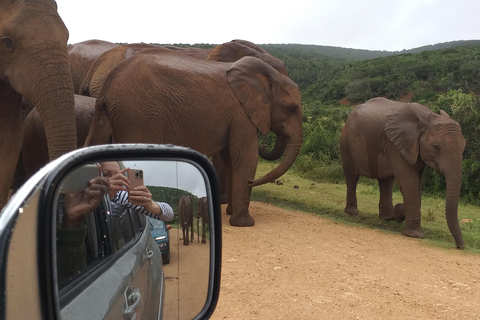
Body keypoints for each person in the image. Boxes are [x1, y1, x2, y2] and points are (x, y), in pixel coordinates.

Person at [56, 176, 109, 282]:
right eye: (106, 175)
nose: (109, 180)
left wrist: (72, 222)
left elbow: (68, 277)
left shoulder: (93, 196)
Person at [99, 161, 174, 221]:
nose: (114, 179)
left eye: (118, 174)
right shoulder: (89, 195)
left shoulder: (121, 196)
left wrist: (150, 205)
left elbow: (169, 214)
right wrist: (103, 194)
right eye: (105, 174)